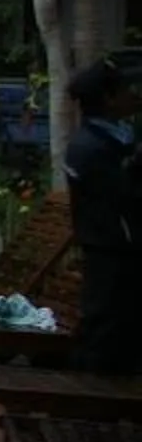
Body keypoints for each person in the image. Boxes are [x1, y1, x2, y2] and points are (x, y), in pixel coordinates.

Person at [61, 60, 142, 373]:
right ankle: (90, 394)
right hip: (112, 247)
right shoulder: (90, 148)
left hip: (121, 244)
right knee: (107, 322)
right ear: (108, 99)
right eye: (125, 91)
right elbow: (122, 196)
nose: (134, 96)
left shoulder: (118, 137)